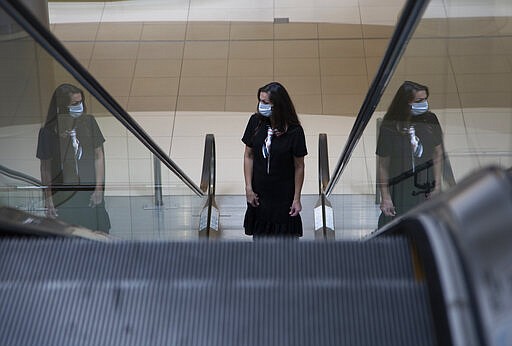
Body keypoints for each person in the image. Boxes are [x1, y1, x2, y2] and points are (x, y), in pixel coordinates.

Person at [36, 83, 110, 232]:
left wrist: (99, 188)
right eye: (75, 103)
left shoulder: (89, 122)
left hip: (88, 188)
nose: (80, 106)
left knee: (97, 230)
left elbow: (99, 155)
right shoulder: (47, 133)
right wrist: (48, 199)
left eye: (81, 102)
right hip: (64, 193)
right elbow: (46, 168)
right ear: (63, 107)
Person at [242, 82, 308, 237]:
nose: (261, 105)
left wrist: (296, 198)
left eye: (265, 102)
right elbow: (248, 155)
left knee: (285, 245)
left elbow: (299, 166)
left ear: (278, 105)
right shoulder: (255, 122)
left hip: (283, 194)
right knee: (260, 241)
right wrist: (248, 188)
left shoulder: (295, 132)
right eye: (260, 101)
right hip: (260, 193)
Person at [376, 81, 444, 228]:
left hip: (425, 183)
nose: (424, 104)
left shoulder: (430, 120)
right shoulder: (389, 127)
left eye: (425, 99)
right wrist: (385, 196)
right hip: (401, 185)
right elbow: (383, 164)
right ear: (406, 102)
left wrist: (437, 186)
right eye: (419, 101)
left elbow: (437, 153)